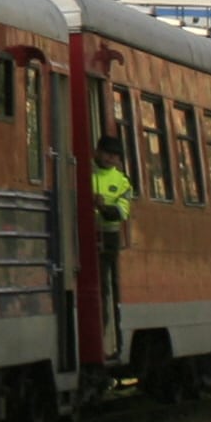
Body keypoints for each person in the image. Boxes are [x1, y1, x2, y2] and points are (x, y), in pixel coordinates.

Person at [91, 137, 135, 360]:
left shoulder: (123, 181)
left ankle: (109, 339)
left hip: (109, 239)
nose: (110, 158)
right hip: (84, 236)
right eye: (107, 153)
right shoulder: (83, 172)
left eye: (115, 156)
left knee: (107, 288)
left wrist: (103, 208)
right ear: (97, 152)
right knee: (98, 289)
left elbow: (122, 211)